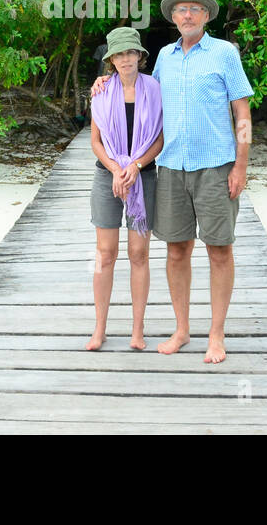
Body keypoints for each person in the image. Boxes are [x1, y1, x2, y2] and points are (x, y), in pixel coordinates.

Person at [92, 0, 252, 364]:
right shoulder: (164, 56)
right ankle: (182, 329)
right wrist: (103, 82)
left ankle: (216, 334)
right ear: (173, 17)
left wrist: (241, 165)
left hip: (215, 166)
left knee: (219, 250)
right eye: (181, 9)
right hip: (171, 167)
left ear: (207, 16)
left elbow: (242, 115)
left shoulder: (225, 53)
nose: (187, 15)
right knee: (177, 250)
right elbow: (139, 92)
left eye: (195, 9)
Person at [87, 27, 164, 352]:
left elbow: (160, 138)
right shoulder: (102, 91)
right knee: (105, 255)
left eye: (131, 53)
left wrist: (135, 166)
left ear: (140, 57)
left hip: (142, 176)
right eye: (119, 54)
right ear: (111, 60)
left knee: (139, 254)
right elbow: (95, 141)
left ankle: (137, 330)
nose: (126, 59)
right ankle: (100, 329)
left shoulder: (155, 89)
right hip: (108, 176)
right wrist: (117, 168)